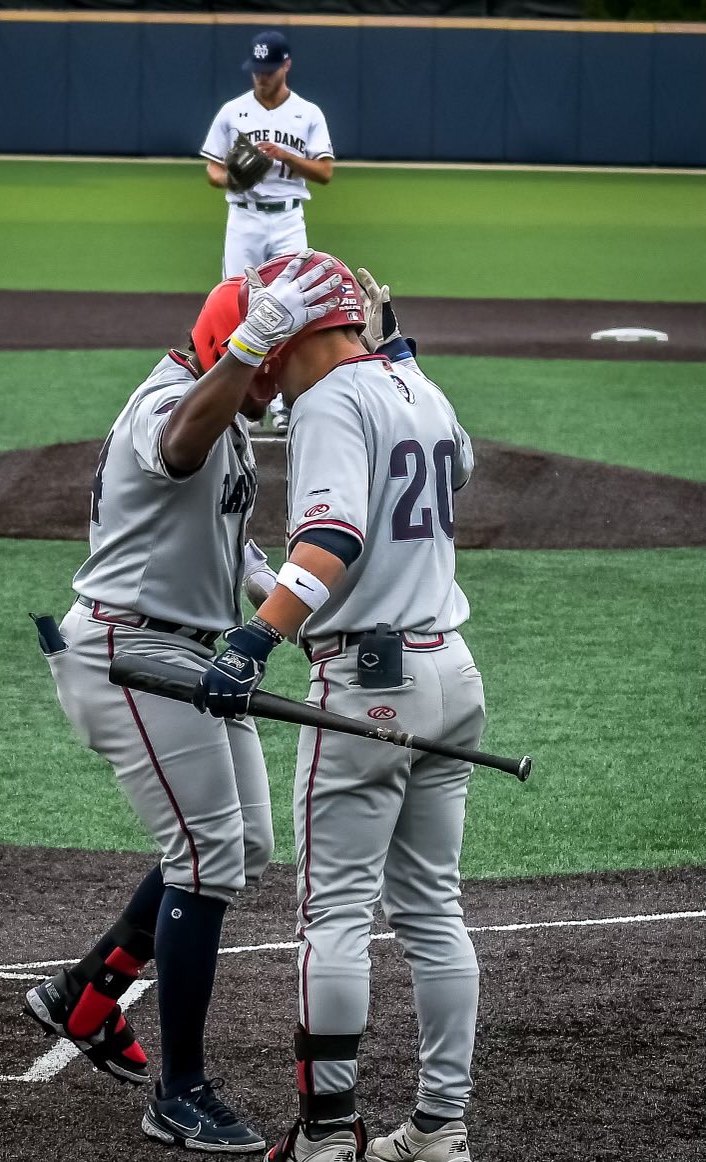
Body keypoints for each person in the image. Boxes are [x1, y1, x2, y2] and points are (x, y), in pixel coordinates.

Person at [24, 251, 344, 1154]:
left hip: (182, 652)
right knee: (205, 857)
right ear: (231, 340)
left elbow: (232, 552)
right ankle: (180, 1092)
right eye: (269, 364)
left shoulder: (229, 419)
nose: (272, 387)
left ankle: (83, 996)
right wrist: (252, 340)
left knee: (241, 848)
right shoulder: (167, 403)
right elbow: (176, 448)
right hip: (130, 651)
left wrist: (282, 611)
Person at [193, 256, 486, 1162]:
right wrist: (398, 355)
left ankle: (324, 1137)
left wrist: (255, 639)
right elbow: (459, 470)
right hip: (454, 675)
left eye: (271, 342)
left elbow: (333, 535)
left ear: (299, 333)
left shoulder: (329, 403)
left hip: (369, 687)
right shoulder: (416, 381)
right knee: (435, 908)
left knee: (336, 918)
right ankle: (441, 1128)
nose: (266, 371)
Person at [200, 29, 334, 433]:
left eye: (269, 69)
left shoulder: (307, 113)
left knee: (291, 305)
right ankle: (237, 401)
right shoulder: (232, 111)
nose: (261, 76)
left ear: (286, 66)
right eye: (257, 69)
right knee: (236, 304)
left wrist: (286, 156)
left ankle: (282, 401)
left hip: (288, 218)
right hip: (243, 218)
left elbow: (325, 172)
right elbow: (212, 169)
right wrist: (231, 180)